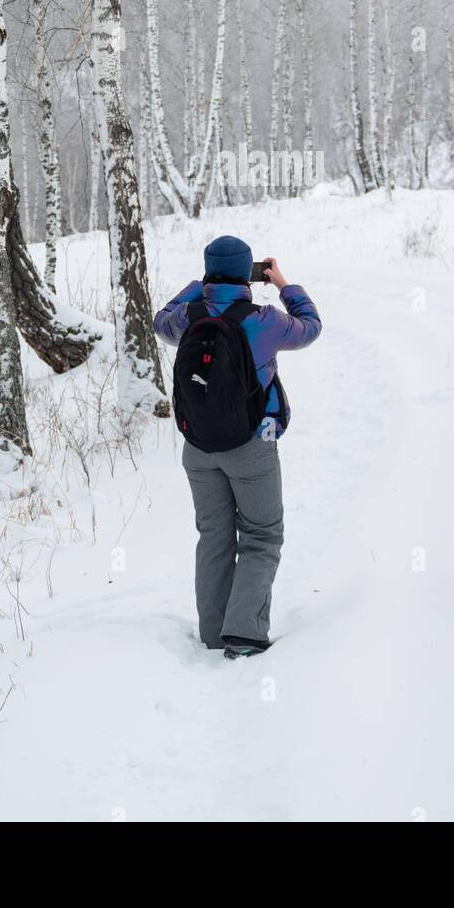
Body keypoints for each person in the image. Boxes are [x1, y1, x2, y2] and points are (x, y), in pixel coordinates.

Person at [153, 235, 321, 659]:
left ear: (209, 270)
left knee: (213, 536)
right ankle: (244, 633)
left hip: (198, 448)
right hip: (251, 446)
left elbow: (160, 321)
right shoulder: (264, 319)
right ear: (250, 270)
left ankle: (213, 632)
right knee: (262, 536)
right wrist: (284, 284)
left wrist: (198, 285)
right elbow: (310, 328)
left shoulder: (188, 317)